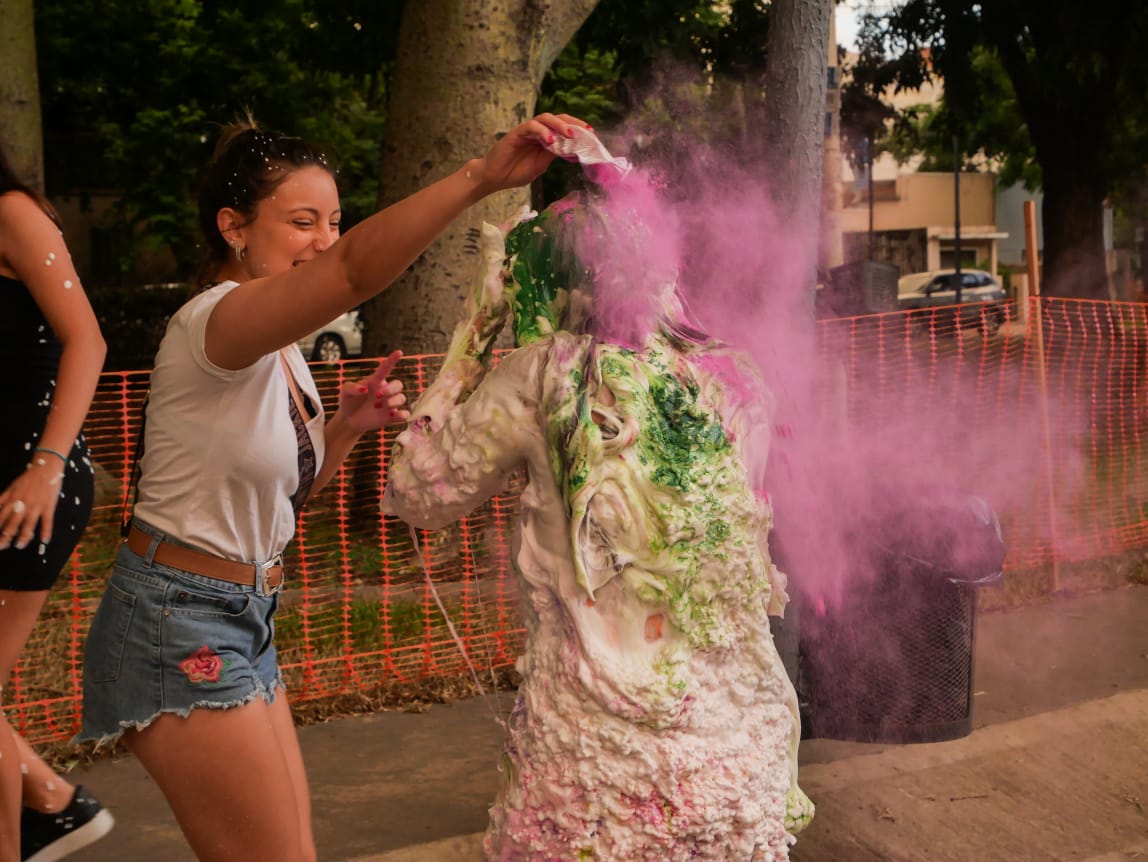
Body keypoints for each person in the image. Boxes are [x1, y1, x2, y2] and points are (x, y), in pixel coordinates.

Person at [76, 112, 586, 862]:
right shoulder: (212, 322)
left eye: (334, 221)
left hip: (239, 614)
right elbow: (350, 271)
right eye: (302, 221)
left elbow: (277, 508)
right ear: (233, 227)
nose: (322, 239)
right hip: (178, 621)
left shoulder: (275, 344)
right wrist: (478, 178)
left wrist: (342, 428)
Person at [382, 131, 815, 861]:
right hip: (742, 755)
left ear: (542, 287)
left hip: (594, 773)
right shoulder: (739, 380)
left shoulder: (538, 377)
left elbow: (415, 494)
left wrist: (477, 332)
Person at [0, 141, 113, 861]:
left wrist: (45, 465)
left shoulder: (11, 213)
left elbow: (88, 341)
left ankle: (50, 807)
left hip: (30, 480)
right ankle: (49, 799)